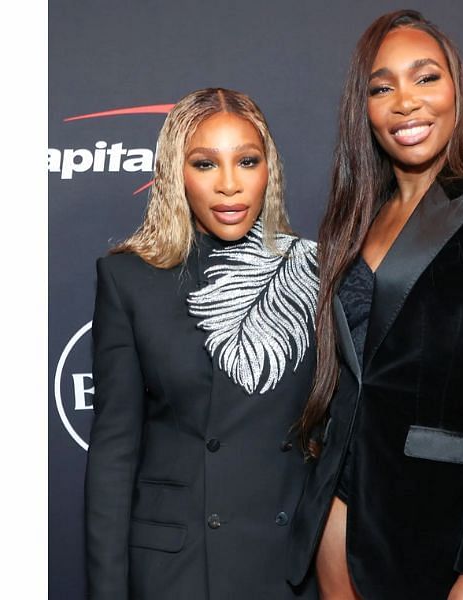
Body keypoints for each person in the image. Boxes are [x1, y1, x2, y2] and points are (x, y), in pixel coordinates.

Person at [286, 10, 463, 599]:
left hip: (438, 526)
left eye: (425, 78)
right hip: (338, 514)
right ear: (365, 109)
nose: (405, 102)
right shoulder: (353, 220)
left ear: (457, 90)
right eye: (382, 87)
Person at [86, 88, 319, 598]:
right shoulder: (130, 279)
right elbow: (114, 454)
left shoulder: (314, 272)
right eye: (205, 163)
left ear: (269, 170)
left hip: (287, 567)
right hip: (179, 569)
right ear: (175, 173)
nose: (230, 185)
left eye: (247, 161)